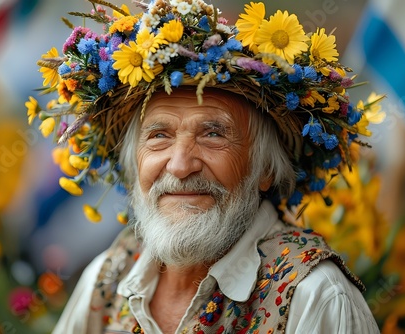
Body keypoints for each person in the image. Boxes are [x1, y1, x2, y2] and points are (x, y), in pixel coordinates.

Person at [28, 1, 383, 333]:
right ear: (134, 163)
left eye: (214, 134)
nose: (181, 166)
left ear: (265, 171)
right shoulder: (108, 278)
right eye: (159, 136)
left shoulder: (315, 296)